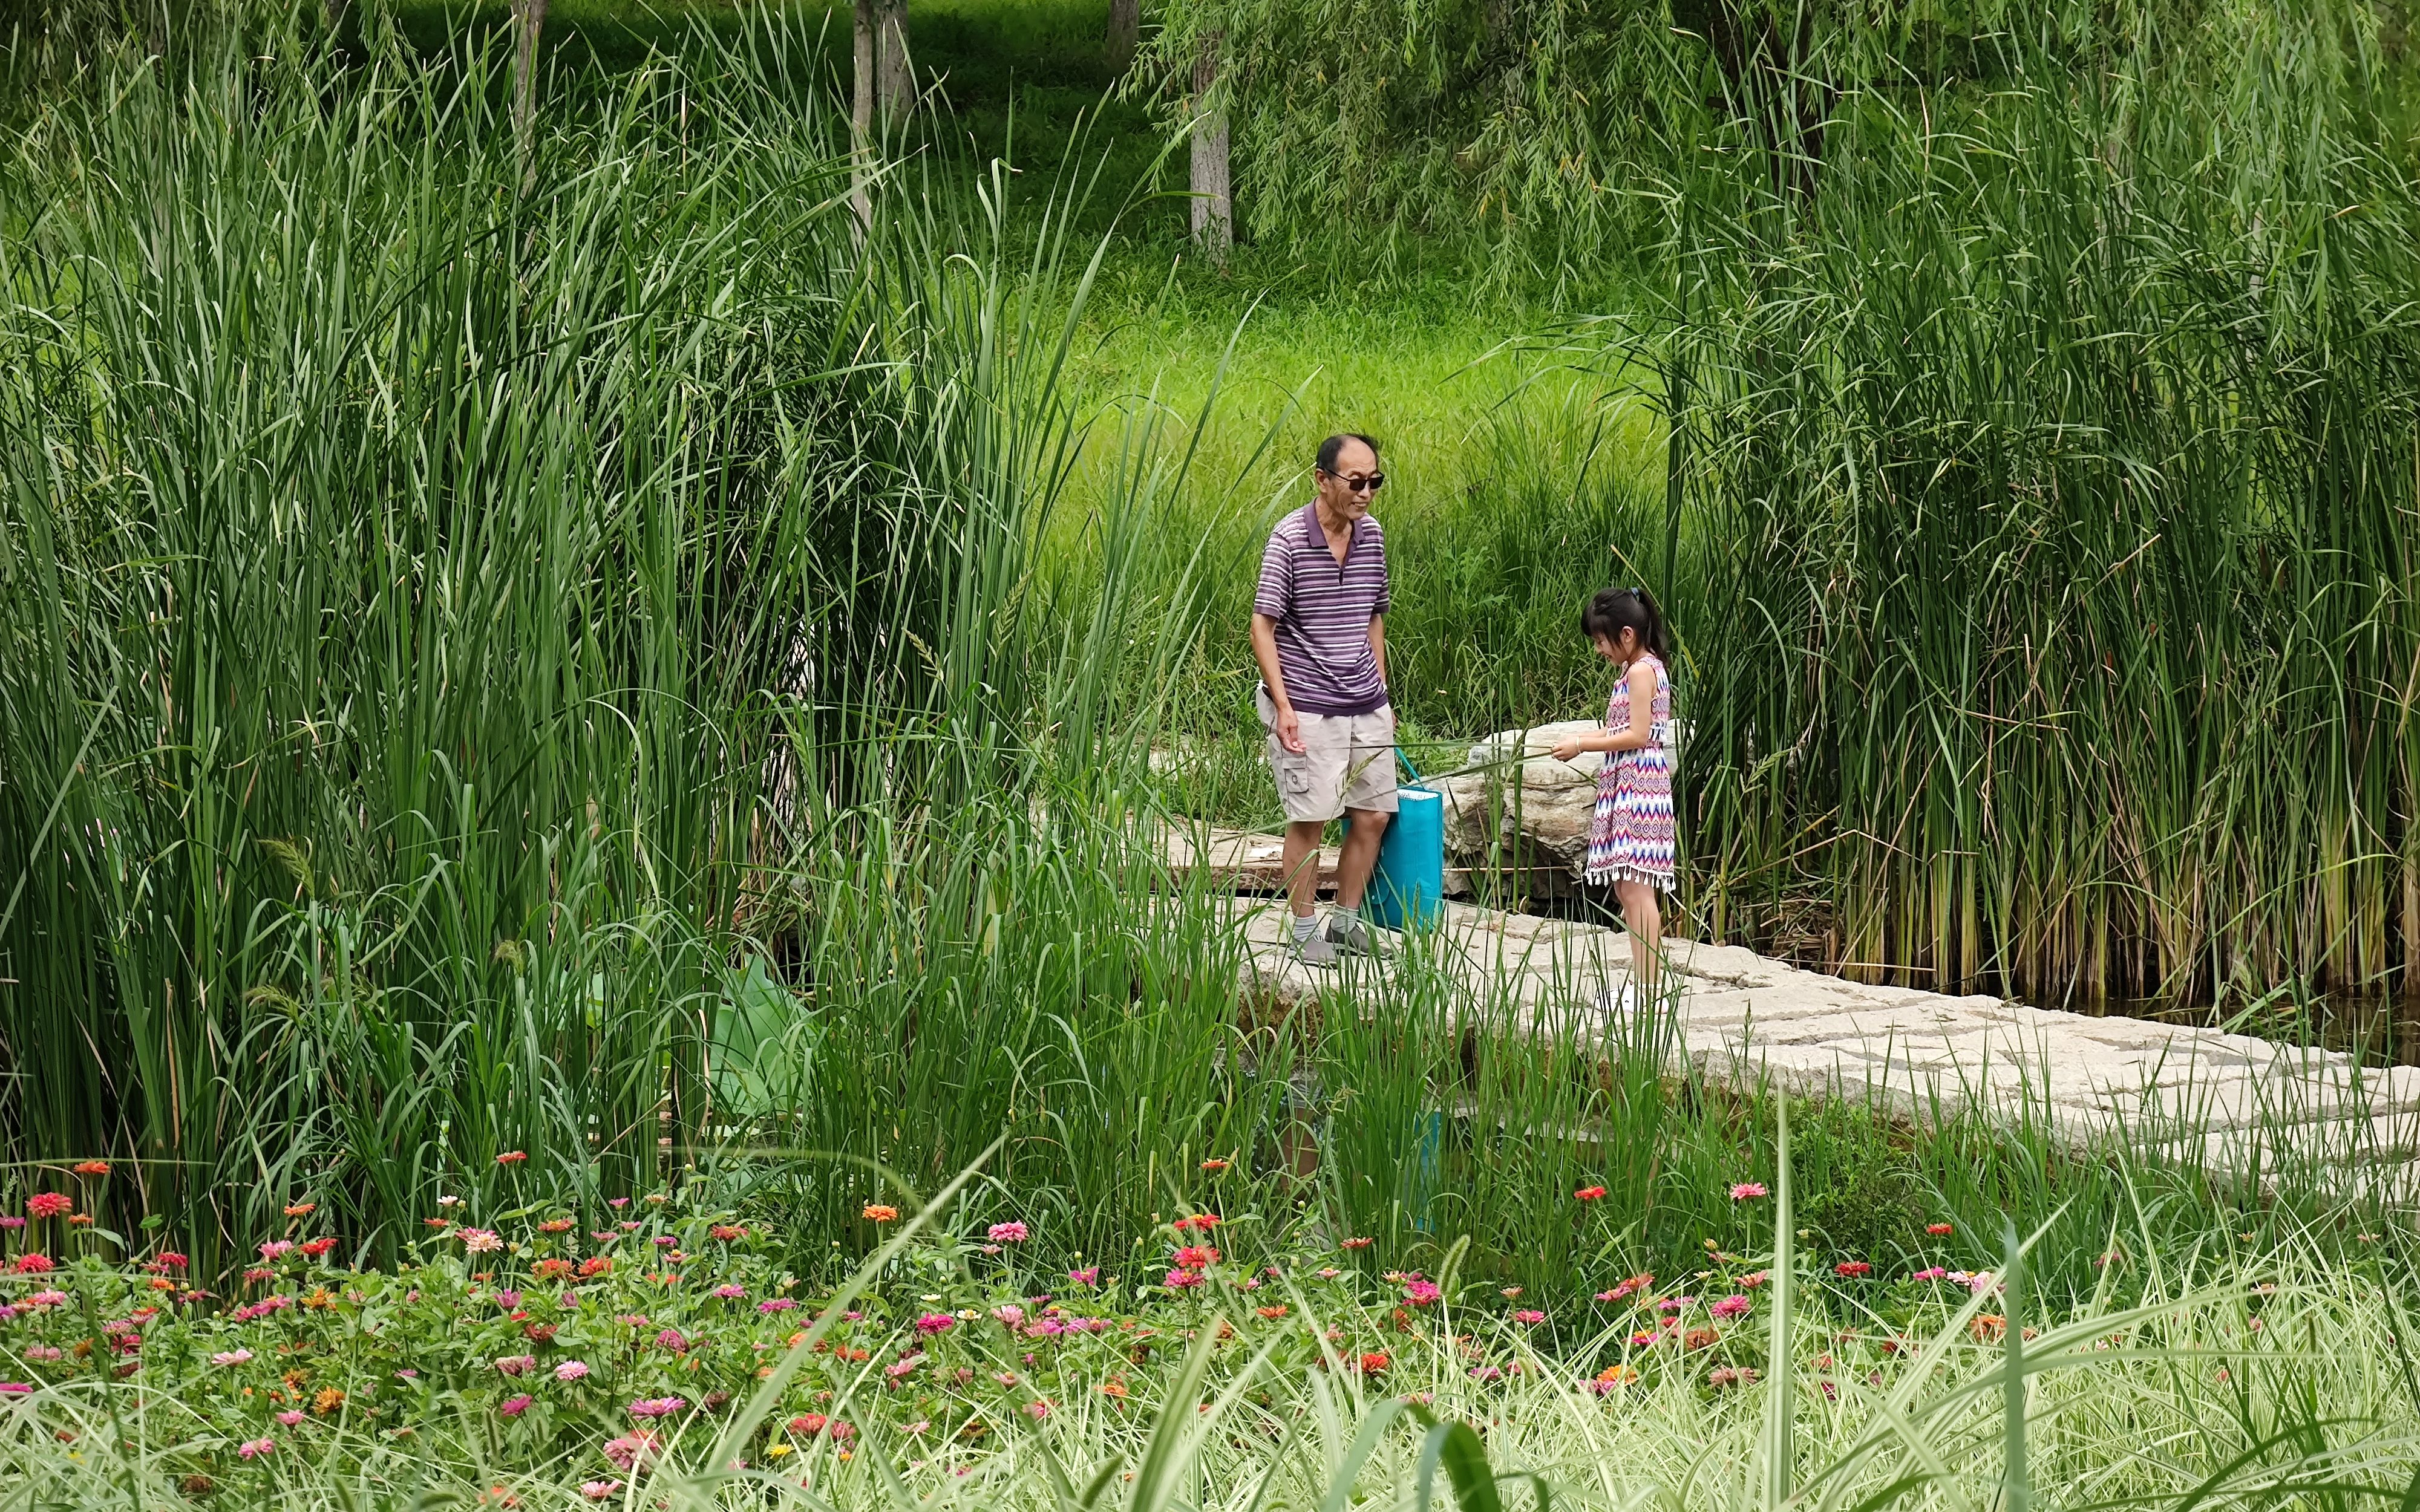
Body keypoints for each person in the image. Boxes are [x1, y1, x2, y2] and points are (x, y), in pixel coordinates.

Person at [1249, 434, 1396, 967]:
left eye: (1374, 482)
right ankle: (1304, 926)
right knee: (1309, 819)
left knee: (1374, 815)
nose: (1366, 493)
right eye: (1355, 482)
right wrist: (1284, 707)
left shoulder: (1373, 537)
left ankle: (1348, 921)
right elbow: (1262, 627)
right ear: (1322, 479)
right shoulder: (1288, 539)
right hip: (1307, 701)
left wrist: (1382, 691)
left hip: (1365, 698)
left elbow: (1374, 614)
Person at [1551, 587, 1675, 1004]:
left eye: (1601, 641)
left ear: (1626, 634)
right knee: (1627, 888)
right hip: (1627, 781)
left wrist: (1583, 746)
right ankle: (1644, 984)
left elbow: (1639, 735)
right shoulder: (1637, 670)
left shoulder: (1642, 672)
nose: (1599, 650)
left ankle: (1650, 991)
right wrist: (1578, 740)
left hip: (1640, 785)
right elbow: (1622, 730)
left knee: (1637, 888)